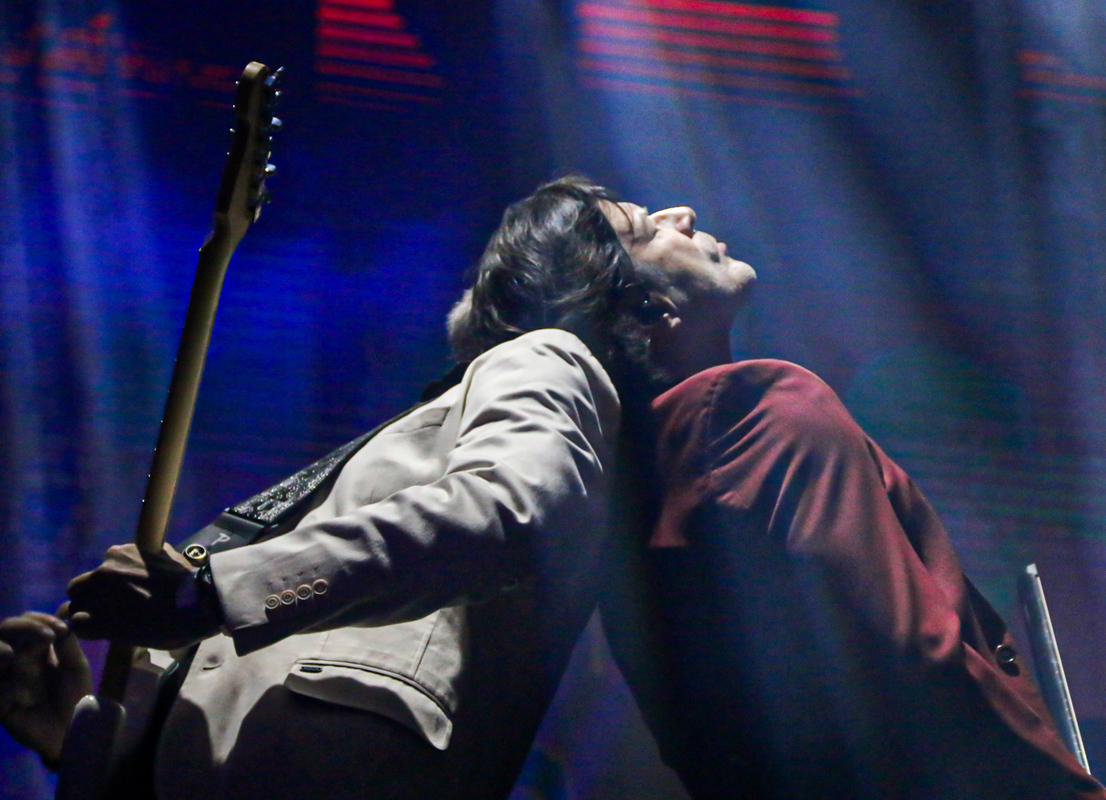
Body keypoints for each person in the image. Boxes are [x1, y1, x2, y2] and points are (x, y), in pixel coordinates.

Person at [0, 176, 660, 800]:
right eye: (645, 224)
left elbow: (509, 513)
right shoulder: (539, 360)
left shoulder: (548, 357)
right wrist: (80, 736)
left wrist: (212, 592)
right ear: (587, 270)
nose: (682, 214)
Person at [594, 200, 1106, 799]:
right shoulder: (754, 406)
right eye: (646, 227)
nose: (681, 214)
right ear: (649, 308)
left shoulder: (626, 496)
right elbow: (919, 653)